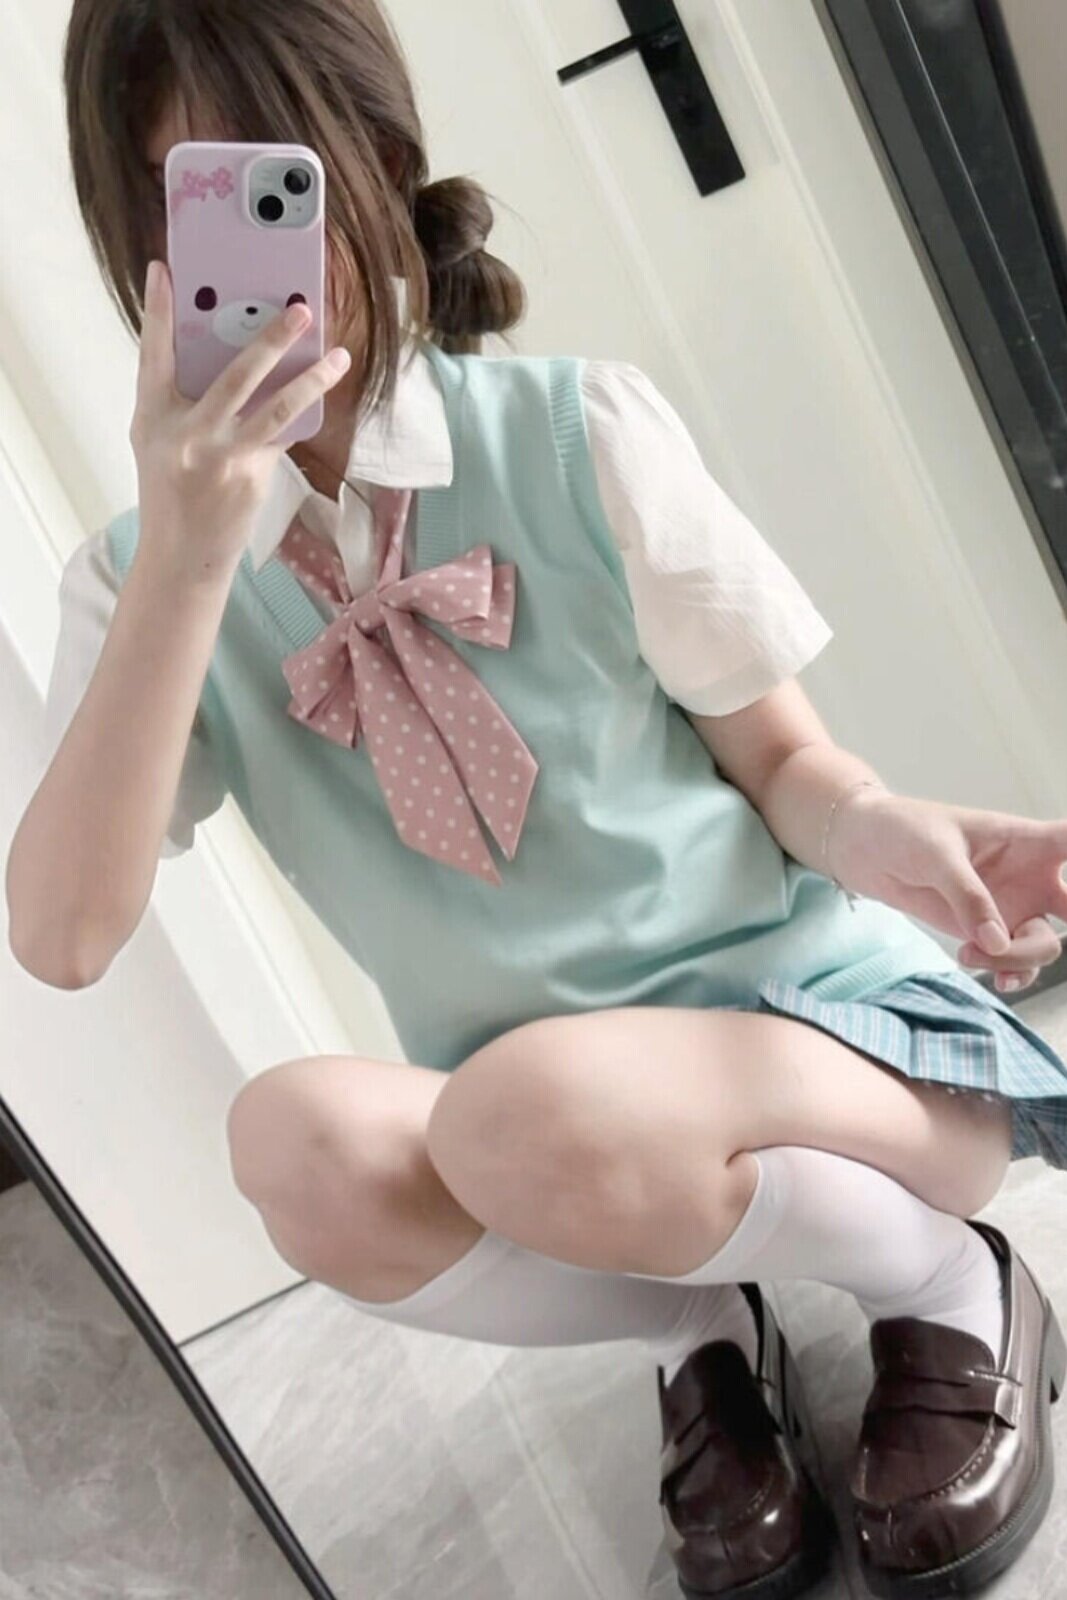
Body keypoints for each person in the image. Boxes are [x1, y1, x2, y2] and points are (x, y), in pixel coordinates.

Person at [12, 3, 1067, 1596]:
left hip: (830, 1050)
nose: (254, 260)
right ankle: (698, 1331)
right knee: (295, 1140)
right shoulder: (145, 587)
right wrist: (187, 555)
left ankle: (949, 1284)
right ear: (138, 244)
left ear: (375, 159)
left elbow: (782, 762)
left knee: (524, 1109)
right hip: (554, 1139)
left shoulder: (581, 433)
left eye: (275, 184)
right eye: (192, 200)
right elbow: (64, 937)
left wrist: (884, 832)